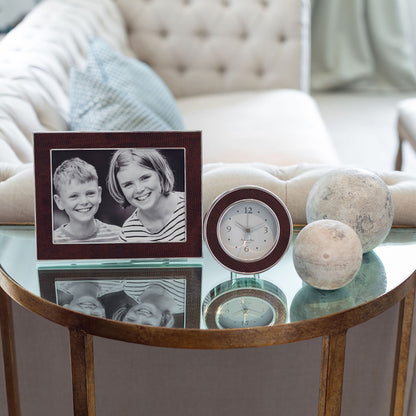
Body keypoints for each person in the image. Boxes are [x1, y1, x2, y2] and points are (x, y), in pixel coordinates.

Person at [107, 148, 186, 242]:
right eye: (128, 184)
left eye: (145, 178)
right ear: (120, 190)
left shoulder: (191, 206)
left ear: (160, 174)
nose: (139, 189)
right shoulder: (127, 234)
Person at [53, 157, 121, 243]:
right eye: (74, 196)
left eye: (90, 193)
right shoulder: (54, 240)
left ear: (99, 194)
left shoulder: (119, 236)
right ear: (59, 202)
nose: (84, 202)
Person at [102, 284, 177, 327]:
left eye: (130, 319)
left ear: (125, 312)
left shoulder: (129, 287)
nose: (140, 316)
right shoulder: (184, 300)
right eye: (147, 324)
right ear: (163, 323)